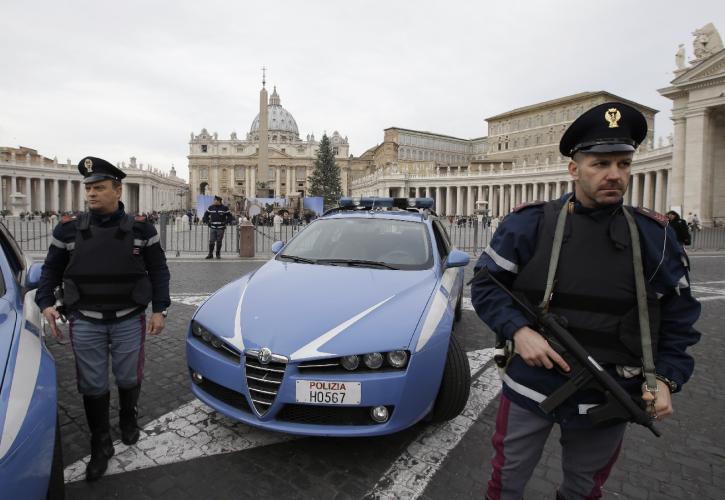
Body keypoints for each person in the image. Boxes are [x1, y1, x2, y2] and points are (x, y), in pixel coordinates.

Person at [471, 103, 701, 500]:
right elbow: (487, 286)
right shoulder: (529, 224)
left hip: (611, 392)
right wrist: (519, 330)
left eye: (623, 163)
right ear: (574, 168)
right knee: (506, 479)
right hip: (533, 384)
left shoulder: (654, 236)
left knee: (584, 488)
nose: (615, 174)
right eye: (600, 163)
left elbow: (680, 317)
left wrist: (665, 378)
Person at [36, 156, 170, 482]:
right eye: (89, 189)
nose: (92, 194)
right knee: (92, 384)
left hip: (128, 317)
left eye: (99, 188)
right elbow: (50, 270)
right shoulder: (66, 229)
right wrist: (45, 303)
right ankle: (99, 442)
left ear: (117, 190)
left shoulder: (142, 228)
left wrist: (159, 309)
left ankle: (127, 416)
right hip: (84, 319)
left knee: (128, 376)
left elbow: (158, 270)